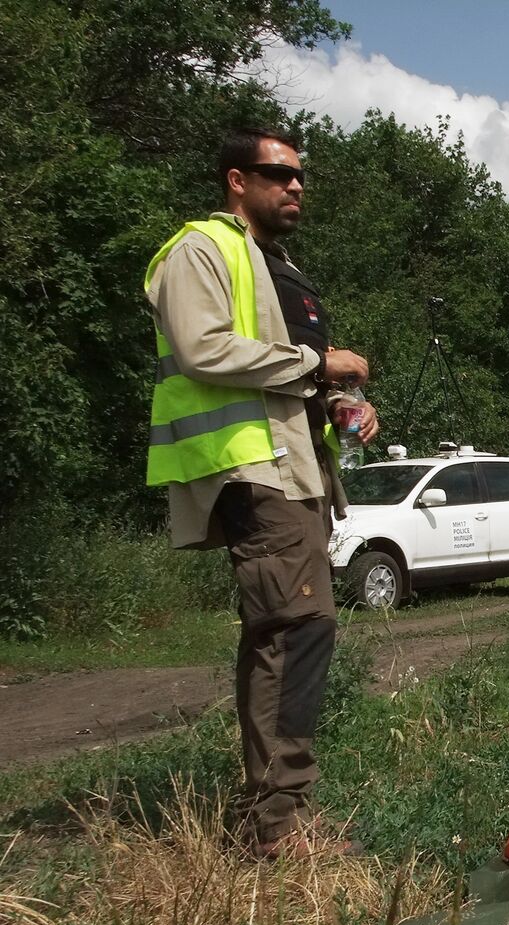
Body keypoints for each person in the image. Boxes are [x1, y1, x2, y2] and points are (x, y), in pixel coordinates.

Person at [144, 126, 378, 858]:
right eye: (278, 173)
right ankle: (276, 825)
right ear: (237, 180)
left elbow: (292, 374)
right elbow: (203, 348)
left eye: (300, 175)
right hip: (253, 469)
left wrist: (343, 403)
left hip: (300, 469)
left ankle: (278, 812)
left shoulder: (283, 269)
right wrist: (318, 364)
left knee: (297, 627)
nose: (296, 185)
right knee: (294, 627)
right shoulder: (200, 250)